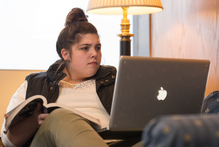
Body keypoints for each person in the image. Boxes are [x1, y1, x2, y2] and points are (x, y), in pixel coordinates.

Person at [1, 8, 141, 147]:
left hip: (119, 143)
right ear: (65, 54)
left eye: (97, 47)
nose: (94, 53)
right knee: (59, 116)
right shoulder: (34, 84)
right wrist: (33, 121)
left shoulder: (114, 80)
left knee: (161, 129)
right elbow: (7, 142)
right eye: (85, 48)